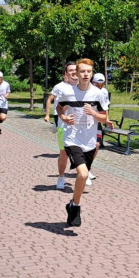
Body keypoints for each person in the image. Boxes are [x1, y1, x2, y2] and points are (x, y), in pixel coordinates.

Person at [57, 59, 109, 227]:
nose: (86, 74)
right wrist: (64, 117)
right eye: (82, 71)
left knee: (82, 175)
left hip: (90, 141)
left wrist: (93, 113)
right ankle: (77, 208)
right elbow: (59, 107)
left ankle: (73, 203)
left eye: (89, 71)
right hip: (72, 138)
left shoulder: (98, 94)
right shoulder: (68, 92)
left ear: (92, 73)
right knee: (83, 174)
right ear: (76, 74)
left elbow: (105, 117)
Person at [44, 61, 78, 190]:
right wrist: (60, 117)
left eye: (76, 69)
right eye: (70, 70)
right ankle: (61, 176)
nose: (74, 72)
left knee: (84, 152)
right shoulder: (61, 88)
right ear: (66, 74)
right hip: (64, 125)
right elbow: (57, 106)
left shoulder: (86, 86)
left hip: (81, 127)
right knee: (64, 153)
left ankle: (83, 173)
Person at [87, 72, 113, 187]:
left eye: (102, 84)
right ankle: (84, 169)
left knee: (97, 145)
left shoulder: (104, 92)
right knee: (86, 146)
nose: (100, 87)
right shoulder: (88, 90)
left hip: (97, 121)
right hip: (86, 122)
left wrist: (107, 119)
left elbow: (105, 107)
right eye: (98, 84)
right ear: (93, 82)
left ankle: (88, 167)